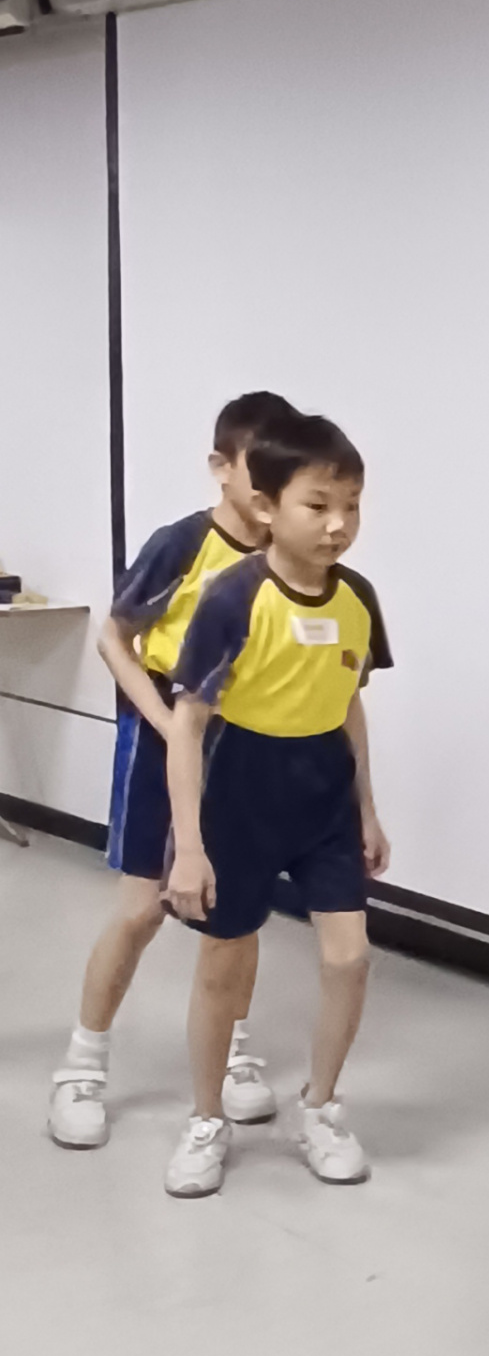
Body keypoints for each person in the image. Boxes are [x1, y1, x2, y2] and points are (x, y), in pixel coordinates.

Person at [47, 389, 301, 1152]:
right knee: (142, 909)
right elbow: (115, 637)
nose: (271, 490)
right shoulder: (181, 544)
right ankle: (81, 1065)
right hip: (165, 731)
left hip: (246, 743)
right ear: (222, 467)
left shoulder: (285, 556)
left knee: (238, 913)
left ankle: (230, 1048)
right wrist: (163, 724)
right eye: (259, 471)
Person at [161, 411, 392, 1200]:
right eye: (318, 505)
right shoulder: (233, 597)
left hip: (323, 793)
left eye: (351, 506)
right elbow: (188, 725)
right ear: (266, 506)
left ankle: (320, 1108)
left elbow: (349, 701)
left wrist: (367, 809)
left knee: (349, 958)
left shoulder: (358, 598)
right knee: (223, 967)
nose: (338, 525)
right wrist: (190, 845)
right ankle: (205, 1119)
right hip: (241, 791)